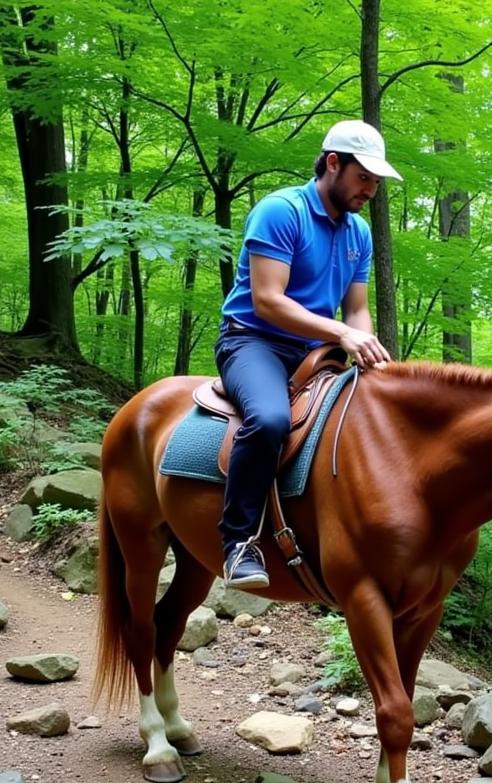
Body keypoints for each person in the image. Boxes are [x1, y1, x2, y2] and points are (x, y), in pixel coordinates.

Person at [214, 120, 401, 589]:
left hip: (317, 350)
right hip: (253, 341)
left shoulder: (359, 233)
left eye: (377, 183)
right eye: (364, 178)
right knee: (271, 420)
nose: (370, 191)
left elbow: (357, 310)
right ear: (333, 163)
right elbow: (268, 300)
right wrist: (341, 332)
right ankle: (238, 543)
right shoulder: (280, 210)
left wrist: (371, 354)